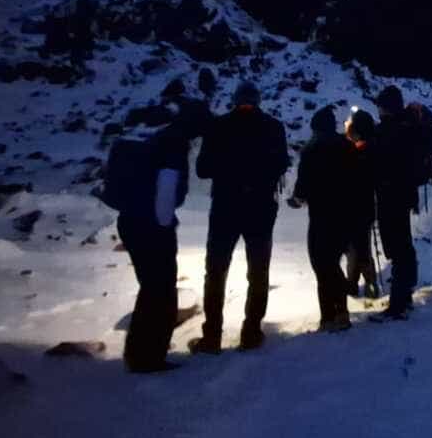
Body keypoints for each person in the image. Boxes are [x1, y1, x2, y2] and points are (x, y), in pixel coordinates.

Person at [191, 81, 290, 353]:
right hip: (260, 207)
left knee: (216, 271)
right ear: (258, 100)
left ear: (235, 100)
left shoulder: (219, 126)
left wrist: (228, 166)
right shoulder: (273, 126)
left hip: (226, 205)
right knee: (258, 270)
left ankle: (212, 336)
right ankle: (251, 332)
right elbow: (282, 162)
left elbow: (202, 169)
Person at [108, 121, 191, 373]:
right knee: (161, 292)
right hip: (153, 229)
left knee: (150, 289)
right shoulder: (172, 153)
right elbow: (165, 204)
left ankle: (137, 353)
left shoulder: (147, 149)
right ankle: (150, 356)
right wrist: (165, 228)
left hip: (130, 223)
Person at [289, 106, 355, 333]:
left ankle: (329, 315)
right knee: (333, 262)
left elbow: (303, 185)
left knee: (321, 264)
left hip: (321, 215)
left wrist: (297, 199)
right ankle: (341, 312)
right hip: (346, 214)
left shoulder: (312, 149)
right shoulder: (347, 146)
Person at [373, 85, 420, 318]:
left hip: (391, 195)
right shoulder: (408, 127)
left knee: (397, 246)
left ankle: (398, 305)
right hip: (403, 194)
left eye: (381, 106)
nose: (379, 110)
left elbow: (378, 162)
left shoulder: (390, 130)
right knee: (403, 244)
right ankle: (405, 294)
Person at [343, 108, 380, 300]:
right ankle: (367, 284)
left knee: (355, 248)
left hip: (354, 206)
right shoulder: (373, 148)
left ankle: (358, 285)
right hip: (366, 206)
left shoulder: (357, 152)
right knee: (361, 246)